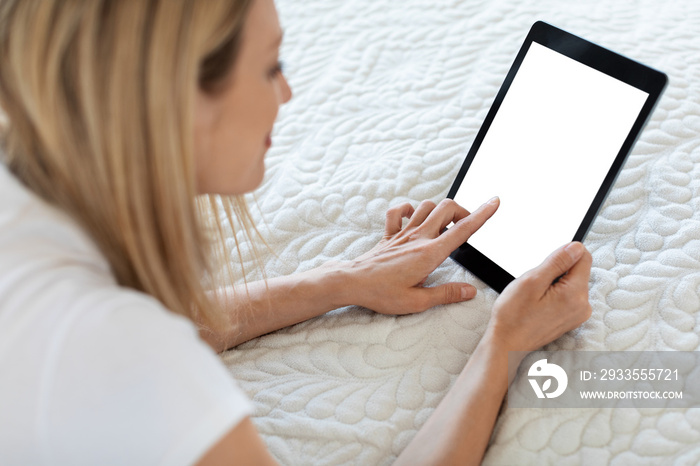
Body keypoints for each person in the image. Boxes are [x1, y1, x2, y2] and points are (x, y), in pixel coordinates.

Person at [0, 0, 592, 464]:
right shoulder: (127, 355)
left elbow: (156, 317)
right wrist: (504, 347)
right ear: (173, 100)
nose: (287, 93)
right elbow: (128, 344)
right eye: (270, 66)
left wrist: (340, 281)